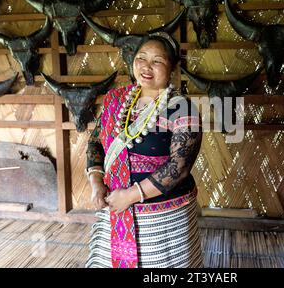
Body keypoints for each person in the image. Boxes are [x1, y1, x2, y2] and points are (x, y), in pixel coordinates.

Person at [85, 32, 203, 268]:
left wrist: (130, 196)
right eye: (142, 58)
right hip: (116, 209)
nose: (147, 67)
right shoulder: (116, 100)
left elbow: (178, 168)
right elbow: (95, 142)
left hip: (161, 220)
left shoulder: (181, 108)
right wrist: (97, 183)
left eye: (158, 61)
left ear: (172, 68)